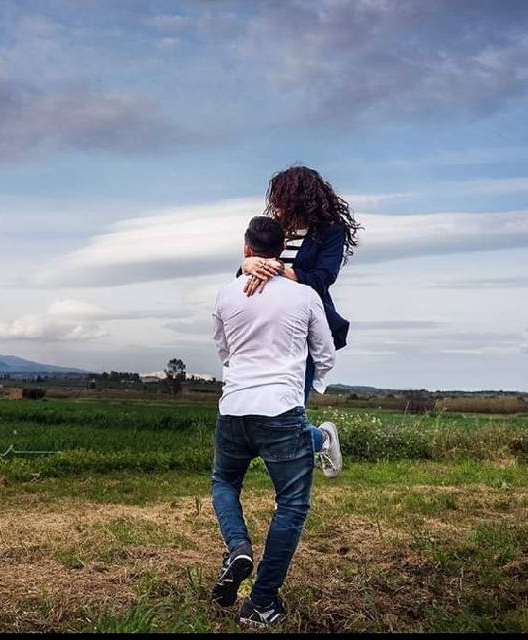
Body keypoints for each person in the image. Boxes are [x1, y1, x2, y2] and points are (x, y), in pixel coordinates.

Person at [210, 215, 343, 627]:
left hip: (233, 409)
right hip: (281, 410)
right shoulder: (304, 297)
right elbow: (324, 354)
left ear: (247, 249)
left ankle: (237, 548)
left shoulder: (227, 294)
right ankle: (262, 601)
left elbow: (223, 350)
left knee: (224, 482)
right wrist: (310, 383)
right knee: (291, 503)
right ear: (281, 249)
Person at [240, 166, 362, 402]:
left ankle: (316, 438)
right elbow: (248, 269)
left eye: (284, 199)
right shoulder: (272, 227)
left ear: (302, 201)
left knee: (293, 401)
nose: (278, 205)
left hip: (303, 321)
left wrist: (283, 270)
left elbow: (323, 277)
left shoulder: (330, 232)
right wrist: (247, 265)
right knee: (258, 399)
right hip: (262, 318)